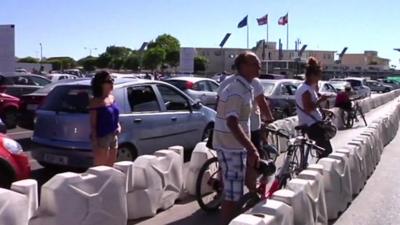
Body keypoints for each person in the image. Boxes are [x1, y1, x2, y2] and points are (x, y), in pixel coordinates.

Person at [213, 51, 262, 225]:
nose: (260, 66)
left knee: (235, 189)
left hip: (235, 146)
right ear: (244, 67)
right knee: (232, 196)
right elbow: (232, 122)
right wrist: (251, 148)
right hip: (229, 147)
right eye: (255, 63)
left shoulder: (246, 87)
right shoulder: (236, 90)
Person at [295, 57, 333, 158]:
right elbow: (308, 108)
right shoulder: (305, 90)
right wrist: (321, 100)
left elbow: (311, 107)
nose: (319, 79)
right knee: (326, 151)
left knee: (322, 150)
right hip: (312, 125)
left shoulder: (308, 88)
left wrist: (323, 110)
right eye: (318, 76)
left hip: (313, 123)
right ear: (312, 75)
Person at [89, 71, 121, 166]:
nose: (111, 83)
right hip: (102, 138)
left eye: (112, 80)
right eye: (108, 81)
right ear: (100, 84)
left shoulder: (112, 98)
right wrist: (95, 143)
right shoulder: (95, 101)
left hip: (114, 136)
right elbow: (93, 125)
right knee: (101, 169)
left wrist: (118, 126)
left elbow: (115, 115)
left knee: (111, 167)